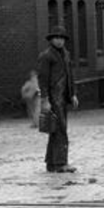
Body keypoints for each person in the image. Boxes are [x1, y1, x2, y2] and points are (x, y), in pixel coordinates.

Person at [37, 25, 79, 173]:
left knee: (56, 129)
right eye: (56, 38)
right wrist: (45, 99)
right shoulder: (46, 56)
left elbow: (70, 75)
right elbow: (42, 80)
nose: (60, 41)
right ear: (51, 39)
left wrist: (72, 94)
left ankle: (51, 163)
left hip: (63, 97)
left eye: (62, 38)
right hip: (53, 97)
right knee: (59, 129)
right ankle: (61, 163)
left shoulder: (66, 55)